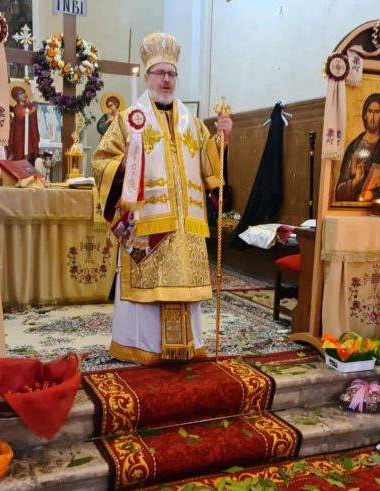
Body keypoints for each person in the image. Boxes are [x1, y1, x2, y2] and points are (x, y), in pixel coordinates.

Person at [92, 32, 233, 365]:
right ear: (147, 76)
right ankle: (142, 346)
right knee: (146, 287)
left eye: (171, 73)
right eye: (160, 73)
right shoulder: (128, 120)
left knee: (183, 283)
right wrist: (125, 164)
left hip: (186, 228)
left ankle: (188, 345)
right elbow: (100, 161)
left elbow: (208, 168)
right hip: (146, 225)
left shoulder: (193, 124)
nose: (166, 79)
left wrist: (221, 139)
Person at [335, 93, 380, 202]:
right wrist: (355, 181)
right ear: (365, 115)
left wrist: (374, 194)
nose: (372, 117)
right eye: (370, 111)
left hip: (376, 208)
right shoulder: (354, 147)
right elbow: (339, 190)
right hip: (353, 207)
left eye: (377, 112)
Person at [6, 86, 39, 161]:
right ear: (17, 97)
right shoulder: (16, 108)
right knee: (20, 155)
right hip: (20, 137)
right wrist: (32, 111)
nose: (23, 94)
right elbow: (20, 117)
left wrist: (31, 105)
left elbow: (34, 107)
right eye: (20, 93)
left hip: (30, 136)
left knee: (30, 157)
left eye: (23, 92)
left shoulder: (29, 106)